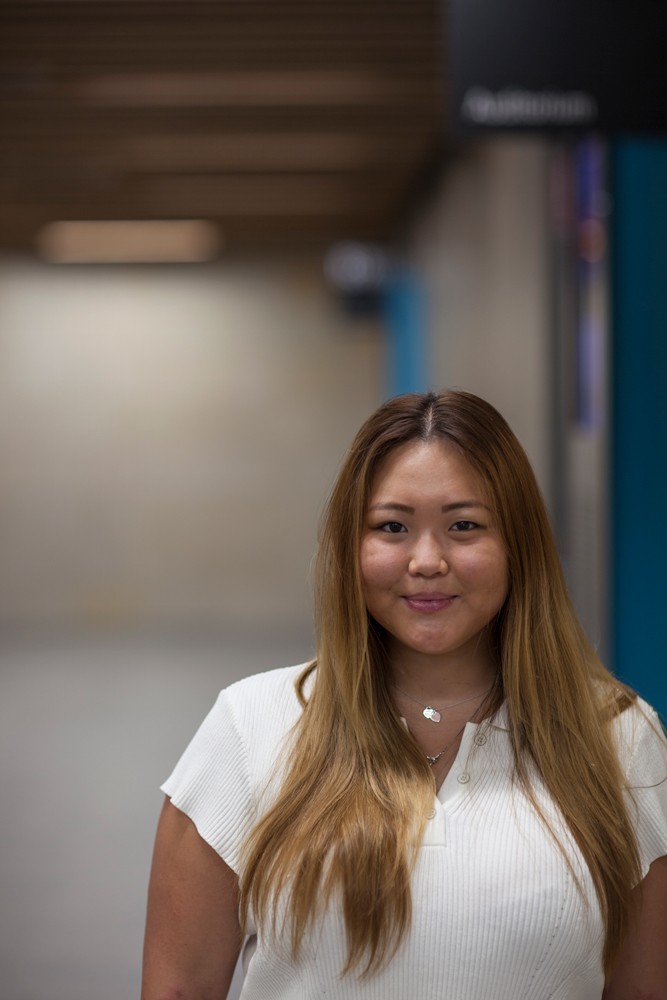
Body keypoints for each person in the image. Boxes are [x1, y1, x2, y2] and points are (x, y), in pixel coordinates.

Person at [141, 389, 667, 1000]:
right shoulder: (248, 725)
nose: (426, 561)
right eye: (392, 527)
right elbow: (178, 988)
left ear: (518, 545)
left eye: (464, 526)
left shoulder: (620, 736)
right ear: (351, 547)